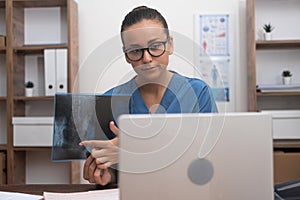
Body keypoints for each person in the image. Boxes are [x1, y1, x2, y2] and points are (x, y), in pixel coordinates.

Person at [79, 6, 218, 186]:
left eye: (155, 46)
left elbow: (210, 158)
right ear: (126, 56)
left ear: (170, 45)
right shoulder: (110, 101)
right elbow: (113, 170)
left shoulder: (198, 93)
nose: (146, 58)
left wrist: (133, 149)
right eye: (135, 50)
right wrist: (107, 176)